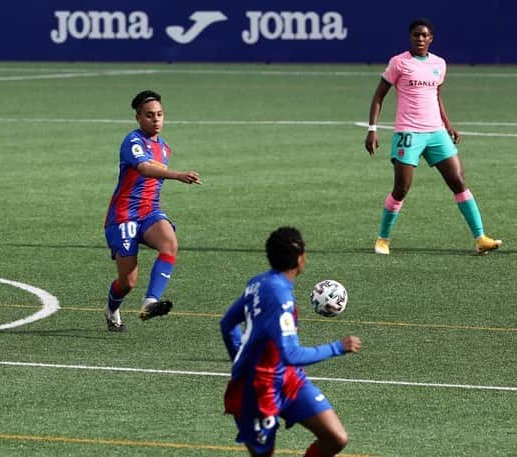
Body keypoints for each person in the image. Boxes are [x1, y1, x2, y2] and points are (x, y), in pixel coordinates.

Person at [365, 18, 502, 255]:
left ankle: (480, 238)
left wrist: (448, 126)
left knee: (458, 181)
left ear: (431, 38)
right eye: (416, 35)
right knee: (401, 188)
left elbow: (436, 96)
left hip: (436, 132)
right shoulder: (399, 63)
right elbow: (379, 97)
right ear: (410, 37)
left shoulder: (439, 64)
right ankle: (382, 239)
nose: (420, 38)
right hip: (408, 132)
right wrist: (372, 129)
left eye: (424, 35)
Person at [220, 227, 361, 457]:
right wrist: (338, 347)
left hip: (289, 378)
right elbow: (291, 354)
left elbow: (228, 324)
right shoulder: (279, 295)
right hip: (258, 389)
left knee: (336, 438)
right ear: (300, 258)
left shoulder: (259, 283)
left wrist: (239, 356)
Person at [103, 90, 201, 332]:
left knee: (170, 243)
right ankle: (111, 309)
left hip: (149, 211)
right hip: (123, 215)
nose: (156, 119)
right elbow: (145, 168)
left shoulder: (164, 147)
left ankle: (150, 303)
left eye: (159, 114)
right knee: (127, 282)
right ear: (138, 118)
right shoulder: (132, 141)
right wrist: (178, 175)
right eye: (149, 115)